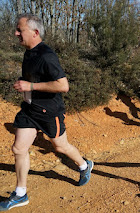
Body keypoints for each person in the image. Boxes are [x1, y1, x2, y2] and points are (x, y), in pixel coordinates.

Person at [0, 14, 93, 211]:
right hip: (30, 110)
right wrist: (25, 84)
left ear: (35, 32)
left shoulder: (46, 55)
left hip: (49, 112)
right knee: (18, 149)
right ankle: (20, 193)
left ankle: (84, 165)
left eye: (20, 30)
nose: (16, 33)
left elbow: (63, 85)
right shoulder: (29, 52)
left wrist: (31, 85)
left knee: (60, 147)